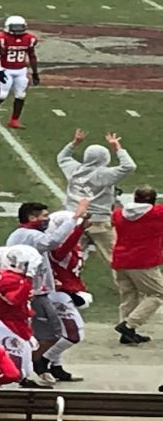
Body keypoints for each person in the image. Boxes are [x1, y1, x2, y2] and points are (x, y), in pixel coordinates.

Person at [5, 200, 90, 384]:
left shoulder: (24, 235)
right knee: (50, 333)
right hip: (33, 292)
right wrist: (75, 219)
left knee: (43, 333)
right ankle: (35, 364)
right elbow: (52, 243)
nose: (46, 220)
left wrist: (79, 226)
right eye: (44, 216)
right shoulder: (29, 235)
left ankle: (40, 366)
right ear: (32, 217)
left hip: (36, 291)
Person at [58, 129, 136, 262]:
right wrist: (117, 147)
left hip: (75, 219)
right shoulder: (104, 174)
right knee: (116, 258)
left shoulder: (73, 169)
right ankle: (126, 281)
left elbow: (62, 157)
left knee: (67, 258)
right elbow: (129, 166)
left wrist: (75, 143)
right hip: (99, 221)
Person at [0, 245, 44, 387]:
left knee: (25, 362)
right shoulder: (7, 279)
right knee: (15, 366)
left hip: (13, 322)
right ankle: (10, 397)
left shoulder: (10, 277)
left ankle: (19, 387)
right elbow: (14, 299)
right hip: (9, 324)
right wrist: (28, 279)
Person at [111, 185, 163, 344]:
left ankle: (128, 333)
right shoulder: (157, 214)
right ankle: (129, 325)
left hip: (121, 259)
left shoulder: (119, 214)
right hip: (143, 262)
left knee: (129, 296)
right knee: (158, 293)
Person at [45, 210, 91, 382]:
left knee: (59, 333)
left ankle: (56, 367)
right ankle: (42, 361)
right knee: (74, 335)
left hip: (66, 292)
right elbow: (59, 254)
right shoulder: (55, 247)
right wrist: (78, 229)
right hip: (59, 294)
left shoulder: (71, 244)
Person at [0, 16, 40, 129]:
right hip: (6, 69)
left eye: (20, 27)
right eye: (16, 27)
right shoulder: (2, 39)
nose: (18, 30)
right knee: (2, 95)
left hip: (21, 70)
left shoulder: (29, 39)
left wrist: (35, 73)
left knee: (21, 95)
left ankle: (14, 120)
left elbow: (32, 56)